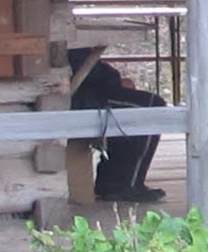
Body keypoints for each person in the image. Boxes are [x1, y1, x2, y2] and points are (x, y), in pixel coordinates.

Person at [68, 47, 167, 202]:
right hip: (82, 98)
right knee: (152, 107)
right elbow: (82, 66)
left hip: (88, 92)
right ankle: (123, 185)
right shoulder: (65, 43)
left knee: (147, 105)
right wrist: (114, 79)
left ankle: (116, 182)